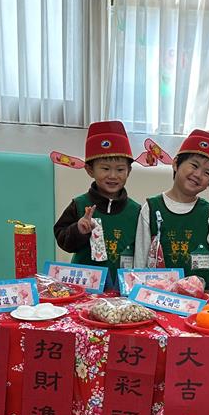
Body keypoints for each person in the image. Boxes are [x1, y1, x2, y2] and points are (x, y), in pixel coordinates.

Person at [134, 129, 209, 289]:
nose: (198, 174)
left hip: (201, 296)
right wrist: (138, 288)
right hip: (160, 295)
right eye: (194, 165)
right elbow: (140, 257)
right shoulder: (151, 208)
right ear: (176, 163)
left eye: (207, 173)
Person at [53, 120, 139, 290]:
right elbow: (63, 240)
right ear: (90, 170)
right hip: (84, 288)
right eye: (105, 169)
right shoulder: (79, 205)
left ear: (129, 171)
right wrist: (78, 229)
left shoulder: (136, 211)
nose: (113, 175)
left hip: (122, 290)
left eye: (120, 169)